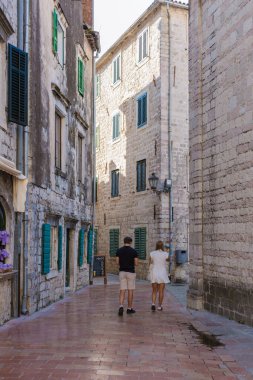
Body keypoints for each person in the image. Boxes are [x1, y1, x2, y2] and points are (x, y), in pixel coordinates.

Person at [116, 236, 138, 316]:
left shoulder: (119, 250)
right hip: (131, 272)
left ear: (124, 241)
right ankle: (129, 308)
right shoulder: (134, 251)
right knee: (130, 290)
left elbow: (117, 262)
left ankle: (121, 306)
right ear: (130, 242)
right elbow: (136, 263)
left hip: (122, 272)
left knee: (122, 290)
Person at [149, 240, 169, 311]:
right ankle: (159, 306)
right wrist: (167, 251)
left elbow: (150, 264)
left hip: (154, 273)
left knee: (154, 290)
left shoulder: (152, 253)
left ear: (156, 246)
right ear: (162, 246)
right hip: (162, 273)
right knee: (161, 291)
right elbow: (168, 260)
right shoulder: (165, 254)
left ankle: (153, 304)